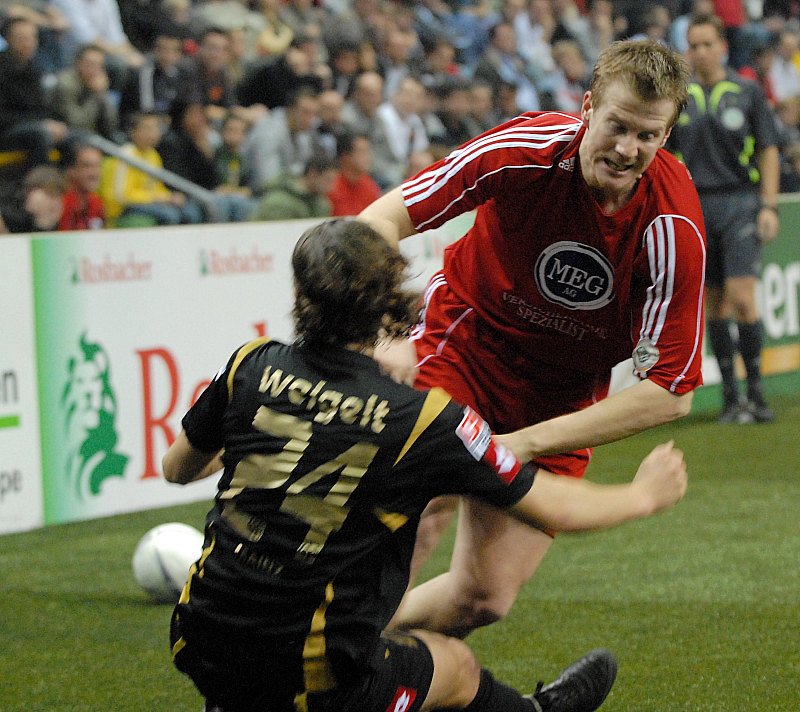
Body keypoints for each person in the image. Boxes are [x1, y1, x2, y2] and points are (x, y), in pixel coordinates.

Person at [162, 217, 689, 712]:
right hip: (311, 669)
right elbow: (553, 506)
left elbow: (176, 468)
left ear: (300, 294)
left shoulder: (251, 363)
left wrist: (286, 436)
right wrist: (643, 495)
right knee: (456, 667)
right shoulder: (422, 420)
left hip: (197, 634)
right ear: (390, 302)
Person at [357, 39, 706, 638]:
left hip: (560, 398)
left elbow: (671, 392)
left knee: (483, 599)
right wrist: (379, 331)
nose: (627, 150)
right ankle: (333, 656)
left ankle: (363, 649)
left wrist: (520, 444)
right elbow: (378, 221)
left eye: (647, 135)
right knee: (425, 491)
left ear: (666, 135)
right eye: (617, 126)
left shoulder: (672, 225)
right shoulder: (523, 150)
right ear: (588, 107)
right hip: (466, 343)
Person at [668, 14, 779, 425]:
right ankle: (731, 399)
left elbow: (768, 148)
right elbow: (666, 154)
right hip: (696, 206)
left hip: (740, 202)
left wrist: (769, 205)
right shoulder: (679, 97)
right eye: (693, 45)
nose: (700, 52)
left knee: (742, 296)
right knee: (714, 303)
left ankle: (757, 394)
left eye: (707, 44)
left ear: (723, 47)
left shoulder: (747, 92)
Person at [58, 139, 105, 230]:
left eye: (98, 166)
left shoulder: (97, 203)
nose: (94, 173)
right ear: (71, 170)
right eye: (87, 166)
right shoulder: (60, 204)